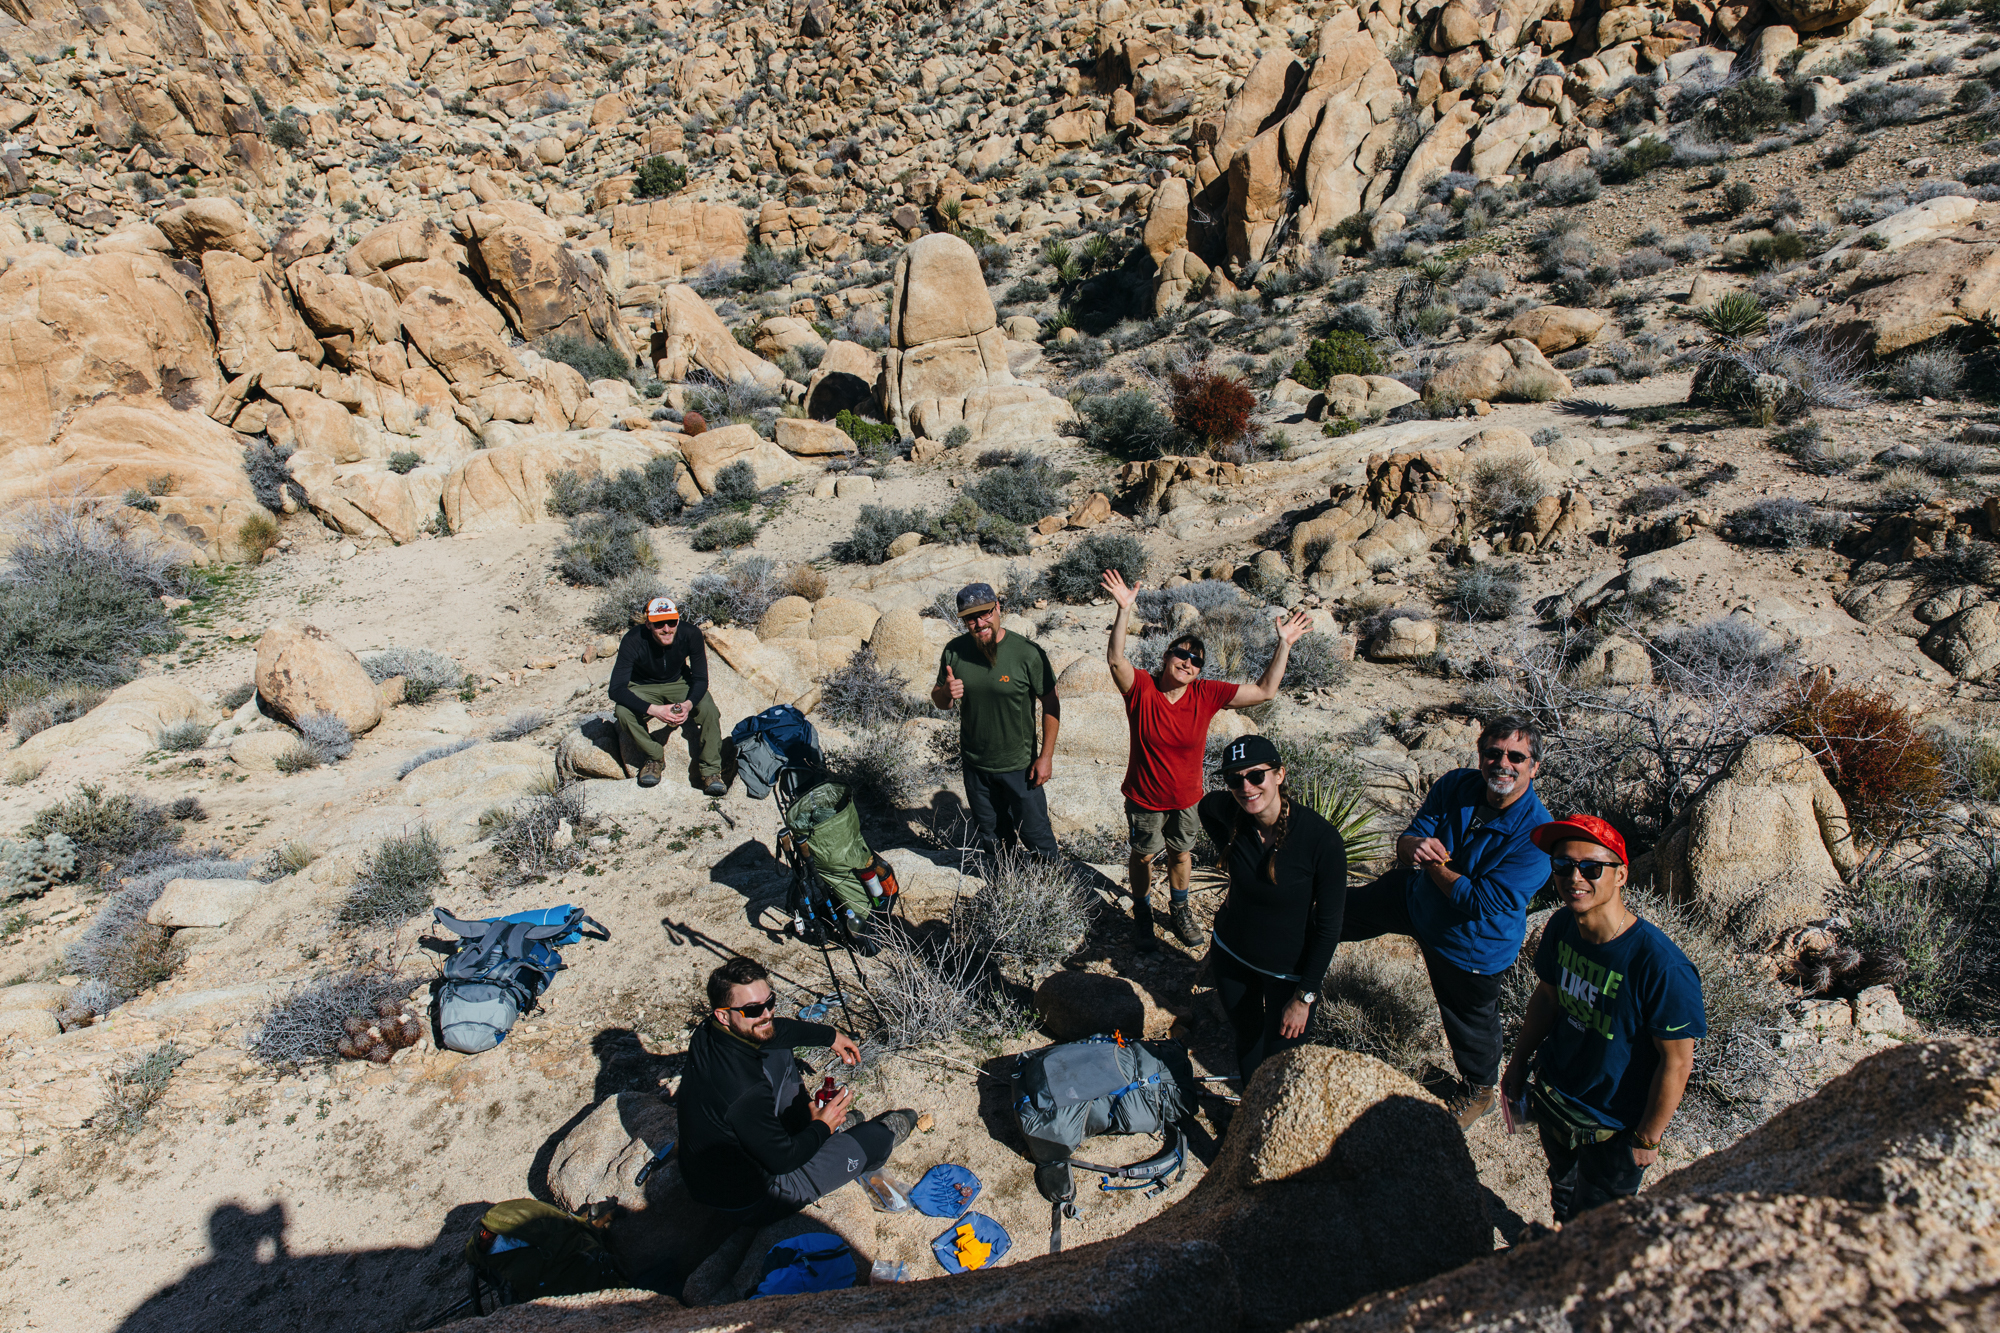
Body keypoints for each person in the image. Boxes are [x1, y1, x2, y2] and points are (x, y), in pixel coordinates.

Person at [1339, 715, 1553, 1128]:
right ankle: (1283, 967)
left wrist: (1431, 863)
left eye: (1516, 757)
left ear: (1534, 767)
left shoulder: (1537, 836)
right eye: (1493, 753)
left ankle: (1480, 1090)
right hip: (1417, 900)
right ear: (1480, 755)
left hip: (1471, 942)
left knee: (1471, 1025)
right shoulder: (1457, 785)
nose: (1502, 764)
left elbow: (1480, 901)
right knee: (1335, 913)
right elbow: (1409, 838)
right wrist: (1414, 846)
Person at [1501, 815, 1705, 1225]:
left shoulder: (1661, 966)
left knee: (1599, 1220)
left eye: (1591, 867)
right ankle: (1559, 1240)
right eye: (1563, 865)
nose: (1574, 877)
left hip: (1615, 1121)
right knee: (1563, 1186)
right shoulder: (1562, 925)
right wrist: (1519, 1064)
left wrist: (1648, 1136)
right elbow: (1548, 997)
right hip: (1557, 1094)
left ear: (1621, 875)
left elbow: (1678, 1062)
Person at [1102, 569, 1313, 953]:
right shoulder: (1142, 689)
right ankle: (1143, 910)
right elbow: (1116, 660)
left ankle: (1179, 909)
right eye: (1181, 654)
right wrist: (1124, 609)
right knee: (1143, 854)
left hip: (1186, 798)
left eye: (1196, 660)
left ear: (1200, 670)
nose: (1188, 662)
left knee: (1181, 853)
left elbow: (1265, 691)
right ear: (1166, 656)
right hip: (1145, 797)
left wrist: (1283, 644)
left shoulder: (1205, 693)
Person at [678, 957, 917, 1220]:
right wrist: (822, 1127)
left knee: (774, 1046)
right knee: (875, 1137)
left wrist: (830, 1037)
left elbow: (776, 1031)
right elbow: (783, 1160)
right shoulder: (745, 1090)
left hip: (710, 1173)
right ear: (723, 1015)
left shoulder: (708, 1032)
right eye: (753, 1010)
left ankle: (806, 1126)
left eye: (770, 1002)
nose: (767, 1014)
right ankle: (855, 1136)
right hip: (754, 1197)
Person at [1196, 735, 1348, 1080]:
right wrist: (1231, 858)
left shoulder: (1320, 840)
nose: (1246, 788)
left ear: (1279, 774)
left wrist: (1304, 996)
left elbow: (1329, 927)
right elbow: (1205, 808)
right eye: (1234, 779)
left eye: (1256, 776)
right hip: (1231, 953)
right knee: (1247, 1038)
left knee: (1282, 1063)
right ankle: (1249, 1104)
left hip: (1287, 973)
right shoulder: (1233, 814)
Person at [931, 581, 1061, 861]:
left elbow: (1051, 703)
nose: (980, 623)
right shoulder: (954, 651)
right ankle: (1005, 880)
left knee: (1036, 835)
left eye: (985, 613)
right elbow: (940, 700)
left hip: (1020, 766)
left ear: (998, 608)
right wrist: (946, 693)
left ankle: (1050, 881)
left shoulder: (1027, 653)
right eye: (971, 618)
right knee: (993, 835)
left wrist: (1046, 757)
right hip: (976, 766)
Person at [609, 596, 725, 796]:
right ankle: (654, 757)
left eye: (671, 622)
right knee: (623, 712)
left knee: (709, 710)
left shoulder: (691, 634)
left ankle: (711, 772)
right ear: (648, 624)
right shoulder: (633, 639)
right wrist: (654, 710)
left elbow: (700, 679)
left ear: (678, 620)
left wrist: (688, 705)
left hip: (678, 682)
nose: (666, 629)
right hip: (643, 686)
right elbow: (616, 689)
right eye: (659, 624)